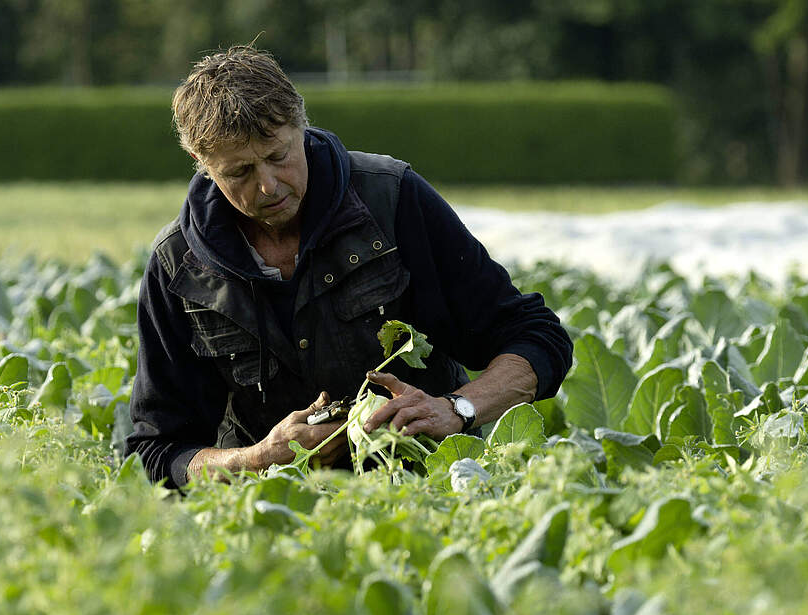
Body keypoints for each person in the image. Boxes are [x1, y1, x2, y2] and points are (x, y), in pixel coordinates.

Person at [125, 45, 572, 488]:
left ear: (302, 125)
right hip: (267, 517)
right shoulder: (178, 266)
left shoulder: (392, 201)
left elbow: (537, 337)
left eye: (279, 156)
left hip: (425, 492)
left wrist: (454, 410)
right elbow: (156, 451)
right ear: (202, 165)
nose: (267, 185)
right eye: (238, 172)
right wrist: (262, 458)